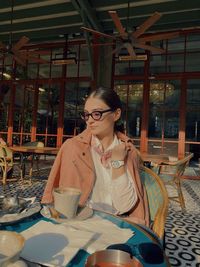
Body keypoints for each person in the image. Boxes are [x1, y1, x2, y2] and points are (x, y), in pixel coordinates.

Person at [41, 87, 150, 226]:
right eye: (87, 115)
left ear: (116, 114)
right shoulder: (72, 148)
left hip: (118, 224)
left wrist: (117, 162)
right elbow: (58, 200)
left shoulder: (128, 151)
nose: (89, 121)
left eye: (97, 114)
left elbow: (124, 206)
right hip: (77, 223)